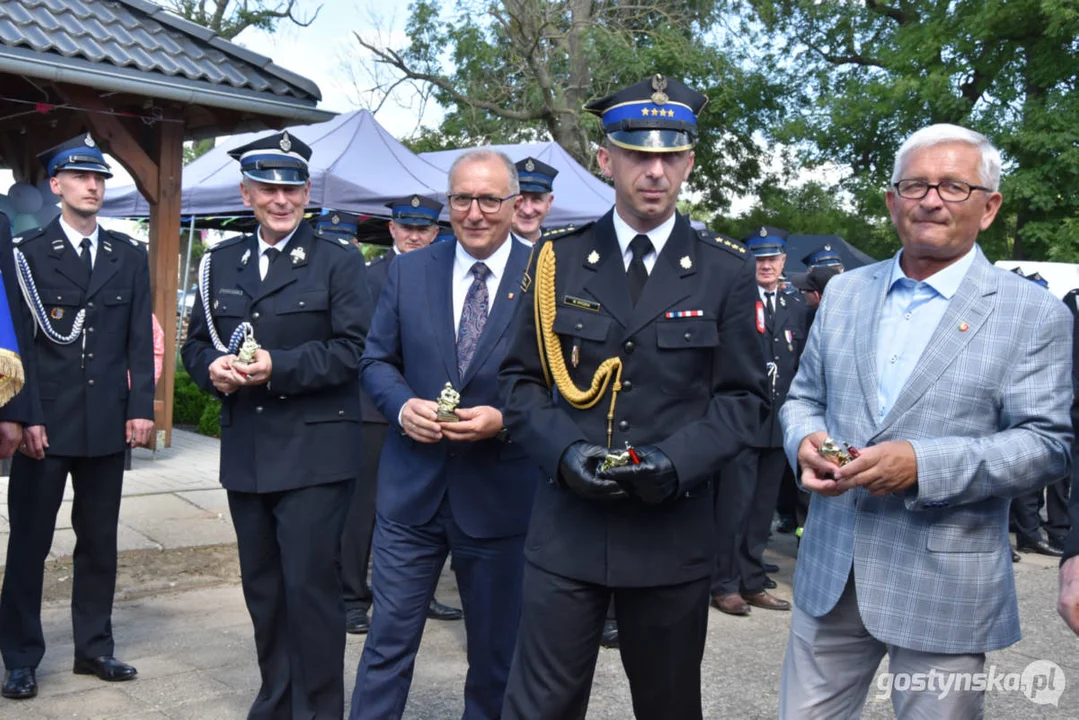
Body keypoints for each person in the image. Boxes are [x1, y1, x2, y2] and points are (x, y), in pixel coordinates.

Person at [779, 124, 1073, 718]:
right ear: (892, 201)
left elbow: (1047, 444)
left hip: (946, 584)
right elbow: (801, 397)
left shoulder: (1032, 313)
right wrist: (803, 439)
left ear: (988, 208)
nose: (931, 199)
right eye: (915, 185)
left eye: (954, 187)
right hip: (831, 570)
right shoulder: (845, 294)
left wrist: (922, 465)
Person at [498, 75, 768, 720]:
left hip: (670, 531)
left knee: (669, 705)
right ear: (605, 159)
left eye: (669, 156)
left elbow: (744, 401)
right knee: (540, 706)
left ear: (689, 162)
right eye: (637, 154)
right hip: (569, 529)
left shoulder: (725, 270)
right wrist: (564, 452)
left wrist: (676, 463)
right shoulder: (557, 260)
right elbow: (519, 383)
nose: (654, 171)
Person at [182, 131, 371, 719]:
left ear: (307, 192)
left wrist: (277, 367)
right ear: (247, 192)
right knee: (263, 592)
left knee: (311, 593)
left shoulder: (338, 260)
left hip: (315, 454)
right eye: (268, 187)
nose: (280, 198)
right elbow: (194, 345)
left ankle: (317, 711)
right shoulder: (220, 263)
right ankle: (277, 703)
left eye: (291, 187)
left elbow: (353, 351)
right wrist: (210, 368)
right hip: (248, 453)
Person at [350, 150, 539, 720]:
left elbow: (564, 382)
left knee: (495, 654)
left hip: (501, 498)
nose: (474, 212)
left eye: (488, 199)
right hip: (412, 493)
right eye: (461, 199)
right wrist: (402, 404)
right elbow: (375, 361)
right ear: (447, 204)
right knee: (386, 645)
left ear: (514, 204)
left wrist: (505, 419)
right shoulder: (410, 271)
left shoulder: (547, 275)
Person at [0, 134, 155, 700]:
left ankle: (95, 648)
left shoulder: (128, 255)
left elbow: (140, 340)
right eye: (81, 177)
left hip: (106, 424)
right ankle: (19, 656)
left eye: (101, 177)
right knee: (30, 543)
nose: (93, 185)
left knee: (100, 543)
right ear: (56, 185)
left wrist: (143, 410)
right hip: (47, 422)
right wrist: (25, 414)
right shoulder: (27, 253)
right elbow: (18, 345)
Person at [326, 201, 463, 636]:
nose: (415, 236)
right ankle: (351, 598)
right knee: (363, 509)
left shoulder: (447, 272)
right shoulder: (369, 276)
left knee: (425, 508)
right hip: (374, 409)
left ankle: (419, 594)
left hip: (428, 410)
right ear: (392, 228)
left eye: (424, 228)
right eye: (407, 227)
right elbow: (365, 349)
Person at [711, 230, 806, 616]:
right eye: (759, 258)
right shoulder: (733, 299)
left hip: (777, 421)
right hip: (742, 421)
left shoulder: (793, 303)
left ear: (784, 261)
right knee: (733, 507)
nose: (766, 266)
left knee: (761, 509)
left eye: (773, 259)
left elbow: (798, 359)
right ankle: (724, 583)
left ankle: (752, 581)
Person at [511, 157, 557, 246]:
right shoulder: (490, 249)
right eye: (520, 199)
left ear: (549, 203)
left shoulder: (560, 247)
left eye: (536, 199)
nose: (528, 211)